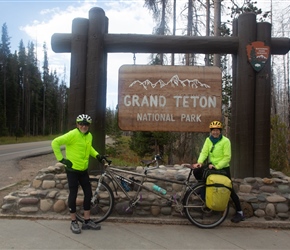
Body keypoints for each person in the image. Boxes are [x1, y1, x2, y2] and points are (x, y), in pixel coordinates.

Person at [51, 114, 105, 234]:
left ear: (88, 126)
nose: (83, 126)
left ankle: (86, 221)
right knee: (73, 194)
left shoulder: (89, 136)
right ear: (77, 124)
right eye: (81, 124)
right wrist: (62, 160)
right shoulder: (72, 134)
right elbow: (55, 142)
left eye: (86, 124)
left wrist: (98, 156)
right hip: (72, 170)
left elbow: (89, 148)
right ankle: (73, 222)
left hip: (83, 170)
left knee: (88, 193)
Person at [192, 120, 245, 223]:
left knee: (229, 189)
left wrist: (217, 166)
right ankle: (203, 193)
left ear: (220, 131)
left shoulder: (226, 141)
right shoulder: (208, 140)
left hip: (223, 168)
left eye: (217, 130)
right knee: (197, 171)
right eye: (213, 130)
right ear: (211, 131)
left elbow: (227, 157)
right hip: (212, 167)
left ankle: (240, 212)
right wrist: (200, 162)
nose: (215, 132)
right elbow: (204, 152)